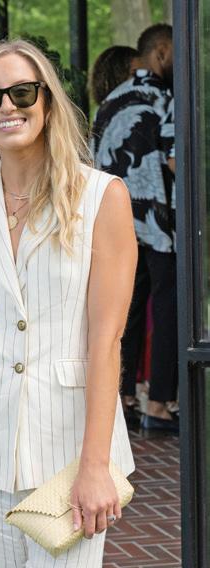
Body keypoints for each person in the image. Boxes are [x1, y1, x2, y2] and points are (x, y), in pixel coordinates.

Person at [0, 39, 136, 568]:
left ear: (47, 102)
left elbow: (106, 341)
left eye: (23, 92)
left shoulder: (102, 196)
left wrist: (95, 465)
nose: (7, 106)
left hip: (68, 452)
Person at [91, 24, 177, 432]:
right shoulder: (165, 98)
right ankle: (158, 404)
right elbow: (176, 160)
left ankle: (124, 397)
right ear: (161, 51)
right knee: (168, 304)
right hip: (158, 221)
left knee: (127, 307)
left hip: (116, 220)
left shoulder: (109, 101)